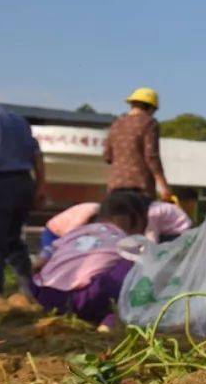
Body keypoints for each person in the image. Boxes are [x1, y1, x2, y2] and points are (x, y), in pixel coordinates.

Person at [30, 191, 148, 327]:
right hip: (84, 299)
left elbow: (42, 259)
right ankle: (110, 320)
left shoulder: (77, 232)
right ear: (135, 220)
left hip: (44, 293)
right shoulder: (128, 242)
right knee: (134, 264)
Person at [40, 197, 192, 259]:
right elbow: (70, 235)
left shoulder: (153, 213)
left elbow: (151, 238)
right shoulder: (91, 212)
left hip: (178, 232)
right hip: (54, 232)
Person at [0, 106, 46, 295]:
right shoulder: (18, 120)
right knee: (12, 240)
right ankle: (28, 291)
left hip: (2, 183)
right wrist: (41, 187)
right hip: (23, 183)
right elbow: (37, 155)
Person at [104, 88, 172, 200]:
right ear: (150, 107)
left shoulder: (117, 124)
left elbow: (107, 157)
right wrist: (164, 187)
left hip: (114, 187)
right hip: (140, 188)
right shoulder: (149, 123)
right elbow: (151, 157)